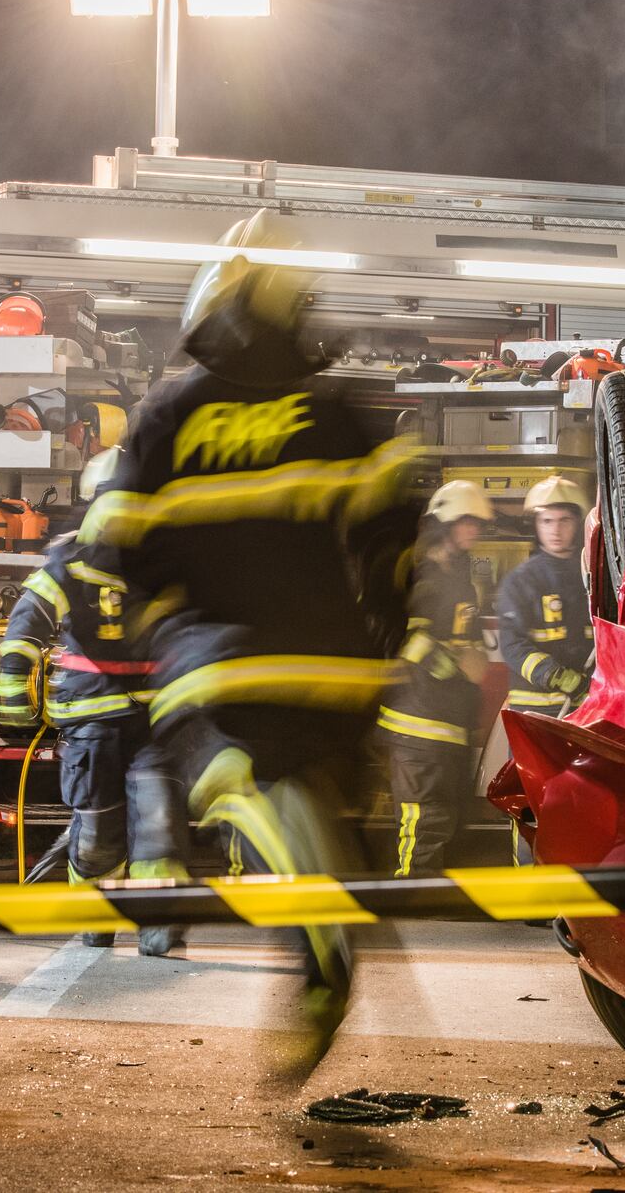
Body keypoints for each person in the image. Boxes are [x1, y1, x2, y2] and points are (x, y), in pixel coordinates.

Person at [82, 212, 420, 1055]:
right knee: (334, 788)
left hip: (224, 670)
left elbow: (113, 543)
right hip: (340, 668)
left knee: (222, 776)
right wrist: (386, 638)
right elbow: (393, 541)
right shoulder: (335, 412)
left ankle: (303, 892)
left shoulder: (168, 415)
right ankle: (335, 897)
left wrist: (163, 618)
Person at [0, 449, 186, 956]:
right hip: (93, 716)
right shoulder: (68, 559)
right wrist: (13, 686)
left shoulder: (171, 561)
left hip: (154, 719)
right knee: (99, 829)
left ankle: (157, 919)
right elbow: (28, 619)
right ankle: (95, 917)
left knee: (160, 819)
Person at [378, 479, 494, 876]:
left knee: (448, 816)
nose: (474, 530)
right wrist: (454, 664)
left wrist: (474, 656)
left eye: (478, 523)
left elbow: (468, 639)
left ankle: (429, 892)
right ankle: (413, 891)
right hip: (417, 720)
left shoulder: (462, 580)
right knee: (423, 817)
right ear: (444, 523)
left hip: (450, 722)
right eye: (467, 522)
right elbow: (405, 638)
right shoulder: (420, 575)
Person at [496, 475, 594, 716]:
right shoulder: (520, 581)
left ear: (577, 523)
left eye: (564, 521)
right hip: (534, 712)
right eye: (547, 521)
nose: (556, 530)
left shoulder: (591, 577)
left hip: (583, 710)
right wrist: (556, 676)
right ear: (536, 525)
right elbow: (512, 646)